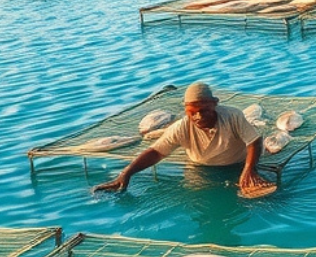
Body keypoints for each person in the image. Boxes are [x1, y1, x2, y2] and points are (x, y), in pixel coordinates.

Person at [93, 82, 274, 197]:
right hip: (200, 170)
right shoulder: (181, 126)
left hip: (237, 166)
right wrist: (126, 173)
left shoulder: (232, 116)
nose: (198, 117)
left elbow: (254, 141)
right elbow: (156, 151)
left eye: (204, 110)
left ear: (215, 104)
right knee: (199, 198)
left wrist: (249, 169)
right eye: (192, 112)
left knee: (262, 201)